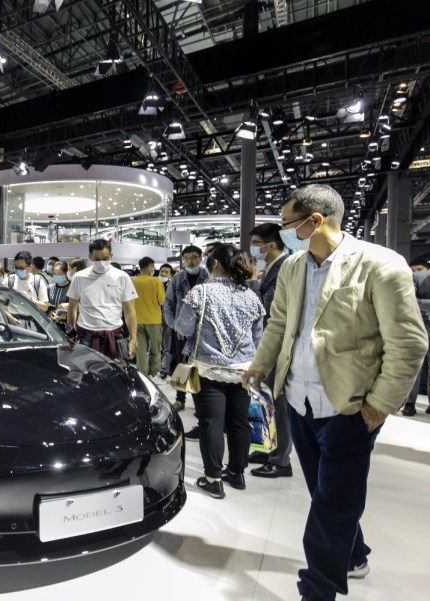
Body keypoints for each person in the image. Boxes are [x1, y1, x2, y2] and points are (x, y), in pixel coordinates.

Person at [242, 184, 427, 601]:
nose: (285, 230)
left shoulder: (381, 264)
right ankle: (354, 554)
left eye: (289, 223)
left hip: (349, 404)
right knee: (326, 492)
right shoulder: (293, 267)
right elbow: (278, 323)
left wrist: (380, 403)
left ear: (315, 220)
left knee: (332, 503)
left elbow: (409, 342)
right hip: (299, 399)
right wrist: (261, 364)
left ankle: (318, 589)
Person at [175, 244, 264, 500]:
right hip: (243, 370)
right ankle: (236, 473)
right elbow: (258, 338)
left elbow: (184, 327)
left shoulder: (200, 293)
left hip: (208, 368)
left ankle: (213, 479)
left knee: (210, 423)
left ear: (213, 264)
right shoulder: (250, 296)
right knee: (238, 422)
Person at [247, 223, 293, 478]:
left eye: (256, 242)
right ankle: (266, 447)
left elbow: (268, 309)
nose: (253, 248)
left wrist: (253, 284)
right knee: (263, 399)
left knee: (278, 403)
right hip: (264, 345)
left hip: (276, 346)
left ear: (270, 244)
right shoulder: (271, 269)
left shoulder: (285, 267)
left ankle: (281, 460)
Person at [67, 240, 138, 360]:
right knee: (86, 375)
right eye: (97, 259)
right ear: (90, 257)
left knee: (115, 374)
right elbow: (72, 307)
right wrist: (71, 332)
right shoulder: (79, 278)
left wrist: (133, 339)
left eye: (105, 258)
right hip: (86, 337)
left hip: (114, 337)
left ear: (111, 256)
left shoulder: (122, 277)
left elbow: (129, 311)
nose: (101, 262)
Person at [164, 245, 209, 418]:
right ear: (183, 260)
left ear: (200, 258)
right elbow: (168, 303)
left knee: (202, 367)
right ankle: (180, 398)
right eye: (187, 258)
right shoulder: (177, 279)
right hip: (180, 332)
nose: (191, 261)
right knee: (180, 364)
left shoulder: (208, 278)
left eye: (194, 257)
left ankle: (202, 402)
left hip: (203, 332)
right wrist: (175, 325)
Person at [132, 257, 165, 378]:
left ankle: (142, 373)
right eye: (153, 267)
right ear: (147, 267)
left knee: (141, 349)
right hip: (154, 320)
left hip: (137, 320)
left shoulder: (133, 282)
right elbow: (161, 301)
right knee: (156, 348)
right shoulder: (156, 282)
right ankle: (153, 372)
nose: (153, 269)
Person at [403, 268, 430, 416]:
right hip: (419, 329)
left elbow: (419, 303)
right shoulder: (417, 277)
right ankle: (410, 403)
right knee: (415, 368)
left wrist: (424, 304)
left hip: (422, 324)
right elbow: (411, 301)